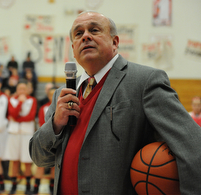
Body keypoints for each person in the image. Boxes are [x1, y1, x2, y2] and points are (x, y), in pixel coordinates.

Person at [29, 11, 201, 194]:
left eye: (94, 30)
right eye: (79, 34)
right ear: (73, 49)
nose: (86, 36)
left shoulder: (144, 81)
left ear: (115, 42)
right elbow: (40, 158)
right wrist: (55, 124)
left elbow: (192, 146)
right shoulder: (61, 96)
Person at [4, 79, 37, 194]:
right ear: (16, 90)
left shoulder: (32, 100)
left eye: (24, 89)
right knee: (14, 161)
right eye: (19, 89)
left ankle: (28, 186)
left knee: (27, 161)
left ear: (28, 89)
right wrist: (20, 103)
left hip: (26, 133)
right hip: (14, 133)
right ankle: (13, 186)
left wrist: (17, 119)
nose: (22, 91)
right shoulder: (12, 100)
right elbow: (11, 113)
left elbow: (30, 116)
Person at [33, 87, 57, 195]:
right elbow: (42, 124)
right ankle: (36, 188)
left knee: (54, 166)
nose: (52, 96)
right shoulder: (43, 107)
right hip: (45, 139)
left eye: (54, 94)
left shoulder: (62, 107)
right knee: (41, 165)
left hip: (57, 140)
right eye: (50, 94)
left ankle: (52, 188)